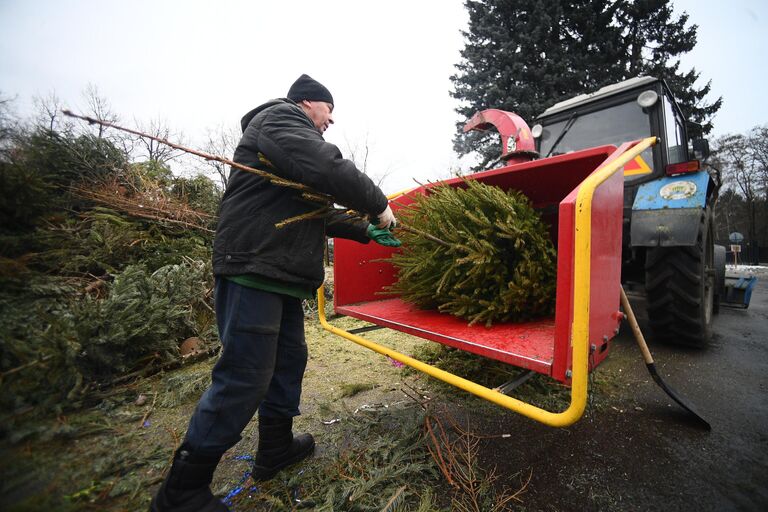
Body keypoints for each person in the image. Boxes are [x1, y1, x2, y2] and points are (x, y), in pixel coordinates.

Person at [151, 74, 399, 512]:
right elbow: (327, 167)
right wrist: (378, 202)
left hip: (279, 273)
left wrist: (366, 228)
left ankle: (275, 449)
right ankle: (181, 491)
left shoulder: (285, 147)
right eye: (329, 110)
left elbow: (312, 212)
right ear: (308, 103)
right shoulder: (278, 119)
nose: (331, 120)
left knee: (288, 363)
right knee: (245, 376)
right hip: (253, 267)